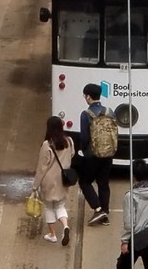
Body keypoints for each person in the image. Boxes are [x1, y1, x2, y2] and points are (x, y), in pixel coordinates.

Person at [75, 84, 118, 224]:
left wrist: (83, 150)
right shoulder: (109, 111)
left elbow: (85, 137)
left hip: (92, 155)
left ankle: (98, 208)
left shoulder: (86, 114)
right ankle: (105, 214)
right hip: (108, 153)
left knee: (85, 182)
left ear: (88, 96)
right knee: (103, 183)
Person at [32, 115, 76, 247]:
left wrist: (35, 186)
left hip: (48, 180)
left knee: (48, 207)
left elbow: (42, 167)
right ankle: (65, 226)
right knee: (60, 205)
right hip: (63, 179)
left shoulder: (47, 145)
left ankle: (52, 235)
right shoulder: (69, 141)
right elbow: (72, 154)